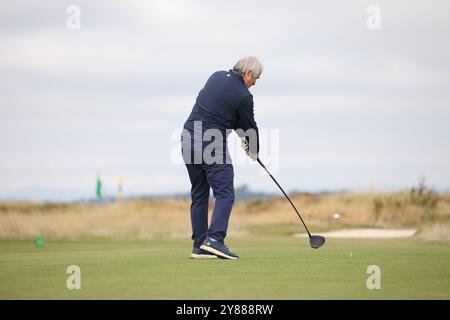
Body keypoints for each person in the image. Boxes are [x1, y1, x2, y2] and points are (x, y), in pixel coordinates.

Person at [181, 56, 263, 260]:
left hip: (187, 138)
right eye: (256, 78)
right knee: (225, 193)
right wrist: (254, 150)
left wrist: (245, 141)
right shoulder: (244, 96)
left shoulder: (216, 76)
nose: (255, 83)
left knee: (199, 195)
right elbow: (248, 125)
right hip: (210, 142)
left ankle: (200, 246)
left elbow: (226, 114)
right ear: (247, 74)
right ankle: (215, 240)